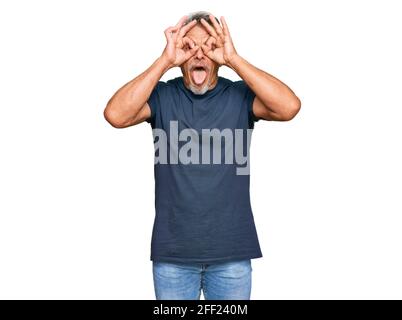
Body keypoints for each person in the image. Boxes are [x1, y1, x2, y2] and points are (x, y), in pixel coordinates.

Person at [104, 11, 301, 300]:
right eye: (189, 46)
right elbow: (115, 115)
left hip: (232, 255)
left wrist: (234, 58)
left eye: (208, 46)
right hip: (173, 257)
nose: (198, 54)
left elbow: (289, 107)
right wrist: (164, 61)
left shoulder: (239, 96)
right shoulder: (162, 96)